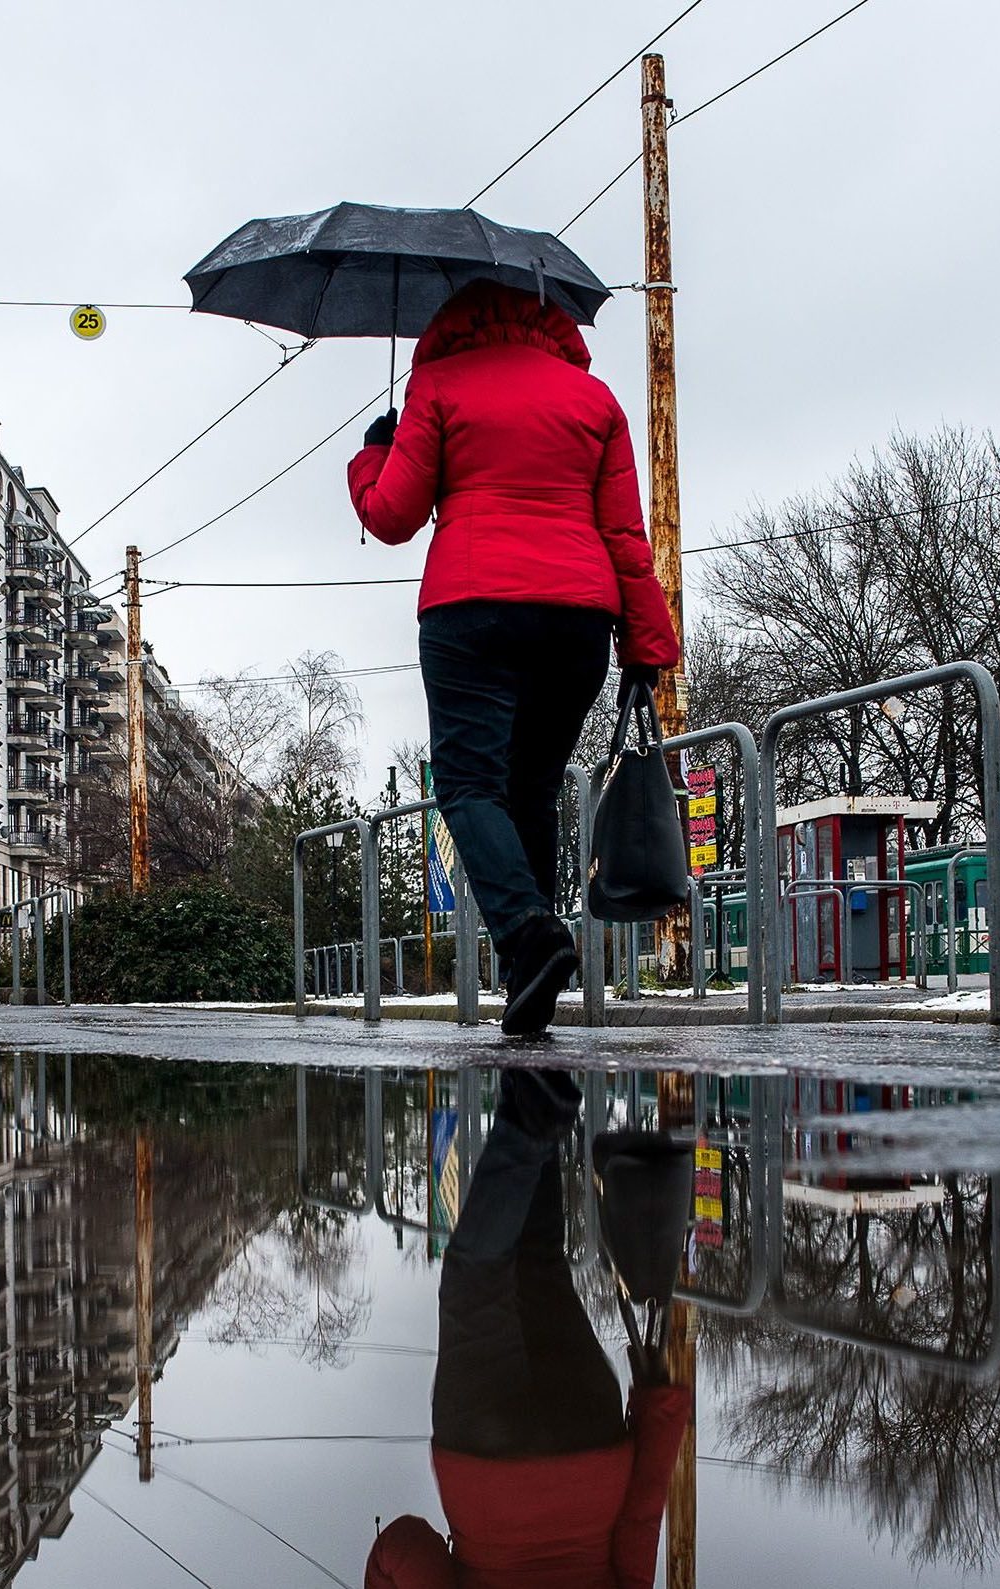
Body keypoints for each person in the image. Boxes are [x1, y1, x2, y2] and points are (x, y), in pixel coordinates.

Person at [349, 280, 682, 1039]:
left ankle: (529, 937)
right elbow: (629, 538)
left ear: (454, 318)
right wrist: (646, 645)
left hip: (472, 610)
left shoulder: (439, 383)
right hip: (578, 623)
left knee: (470, 786)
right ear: (546, 317)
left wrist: (375, 454)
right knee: (531, 791)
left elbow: (393, 515)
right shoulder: (593, 401)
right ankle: (526, 983)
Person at [366, 1070, 691, 1589]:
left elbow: (640, 1521)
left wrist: (660, 1406)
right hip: (490, 1469)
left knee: (539, 1259)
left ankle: (533, 1067)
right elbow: (403, 1546)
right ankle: (527, 1117)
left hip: (590, 1447)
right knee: (476, 1281)